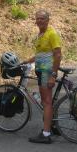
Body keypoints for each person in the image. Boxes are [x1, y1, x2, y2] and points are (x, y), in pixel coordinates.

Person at [23, 9, 62, 144]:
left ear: (48, 20)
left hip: (47, 72)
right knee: (46, 101)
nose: (39, 20)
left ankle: (46, 134)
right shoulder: (41, 34)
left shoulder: (52, 34)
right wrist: (28, 61)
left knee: (46, 102)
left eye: (42, 18)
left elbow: (57, 54)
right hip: (41, 70)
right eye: (37, 18)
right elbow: (41, 53)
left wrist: (53, 75)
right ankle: (52, 126)